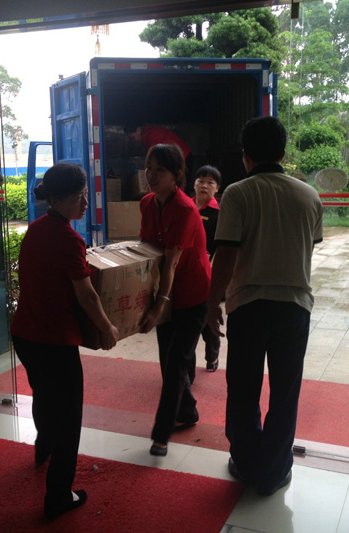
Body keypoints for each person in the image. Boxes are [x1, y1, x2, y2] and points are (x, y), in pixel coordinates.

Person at [207, 116, 323, 496]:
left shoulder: (237, 194)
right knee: (285, 392)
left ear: (245, 156)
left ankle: (245, 461)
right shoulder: (309, 195)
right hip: (294, 307)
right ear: (283, 153)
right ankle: (273, 472)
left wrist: (212, 303)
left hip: (248, 307)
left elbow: (226, 255)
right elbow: (309, 245)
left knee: (243, 389)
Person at [10, 163, 119, 519]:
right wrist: (107, 328)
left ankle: (43, 446)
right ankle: (58, 496)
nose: (85, 203)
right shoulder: (70, 239)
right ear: (55, 200)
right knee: (69, 418)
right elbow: (87, 295)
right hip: (53, 341)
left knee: (44, 395)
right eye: (77, 198)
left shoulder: (36, 229)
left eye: (86, 195)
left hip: (25, 335)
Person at [138, 144, 211, 457]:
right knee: (168, 361)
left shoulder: (185, 209)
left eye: (160, 170)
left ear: (177, 175)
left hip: (193, 294)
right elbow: (146, 249)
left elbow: (170, 263)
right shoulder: (147, 203)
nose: (151, 175)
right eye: (149, 168)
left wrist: (158, 305)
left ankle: (161, 434)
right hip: (167, 293)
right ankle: (188, 411)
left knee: (177, 362)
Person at [192, 165, 222, 373]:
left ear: (217, 188)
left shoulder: (218, 214)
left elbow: (221, 249)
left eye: (210, 183)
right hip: (185, 272)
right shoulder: (185, 206)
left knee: (207, 319)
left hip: (207, 274)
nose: (204, 186)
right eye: (201, 181)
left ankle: (212, 355)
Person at [124, 121, 193, 179]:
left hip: (183, 158)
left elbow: (155, 159)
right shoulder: (148, 134)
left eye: (133, 137)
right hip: (178, 158)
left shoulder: (152, 135)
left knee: (180, 187)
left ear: (139, 130)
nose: (133, 141)